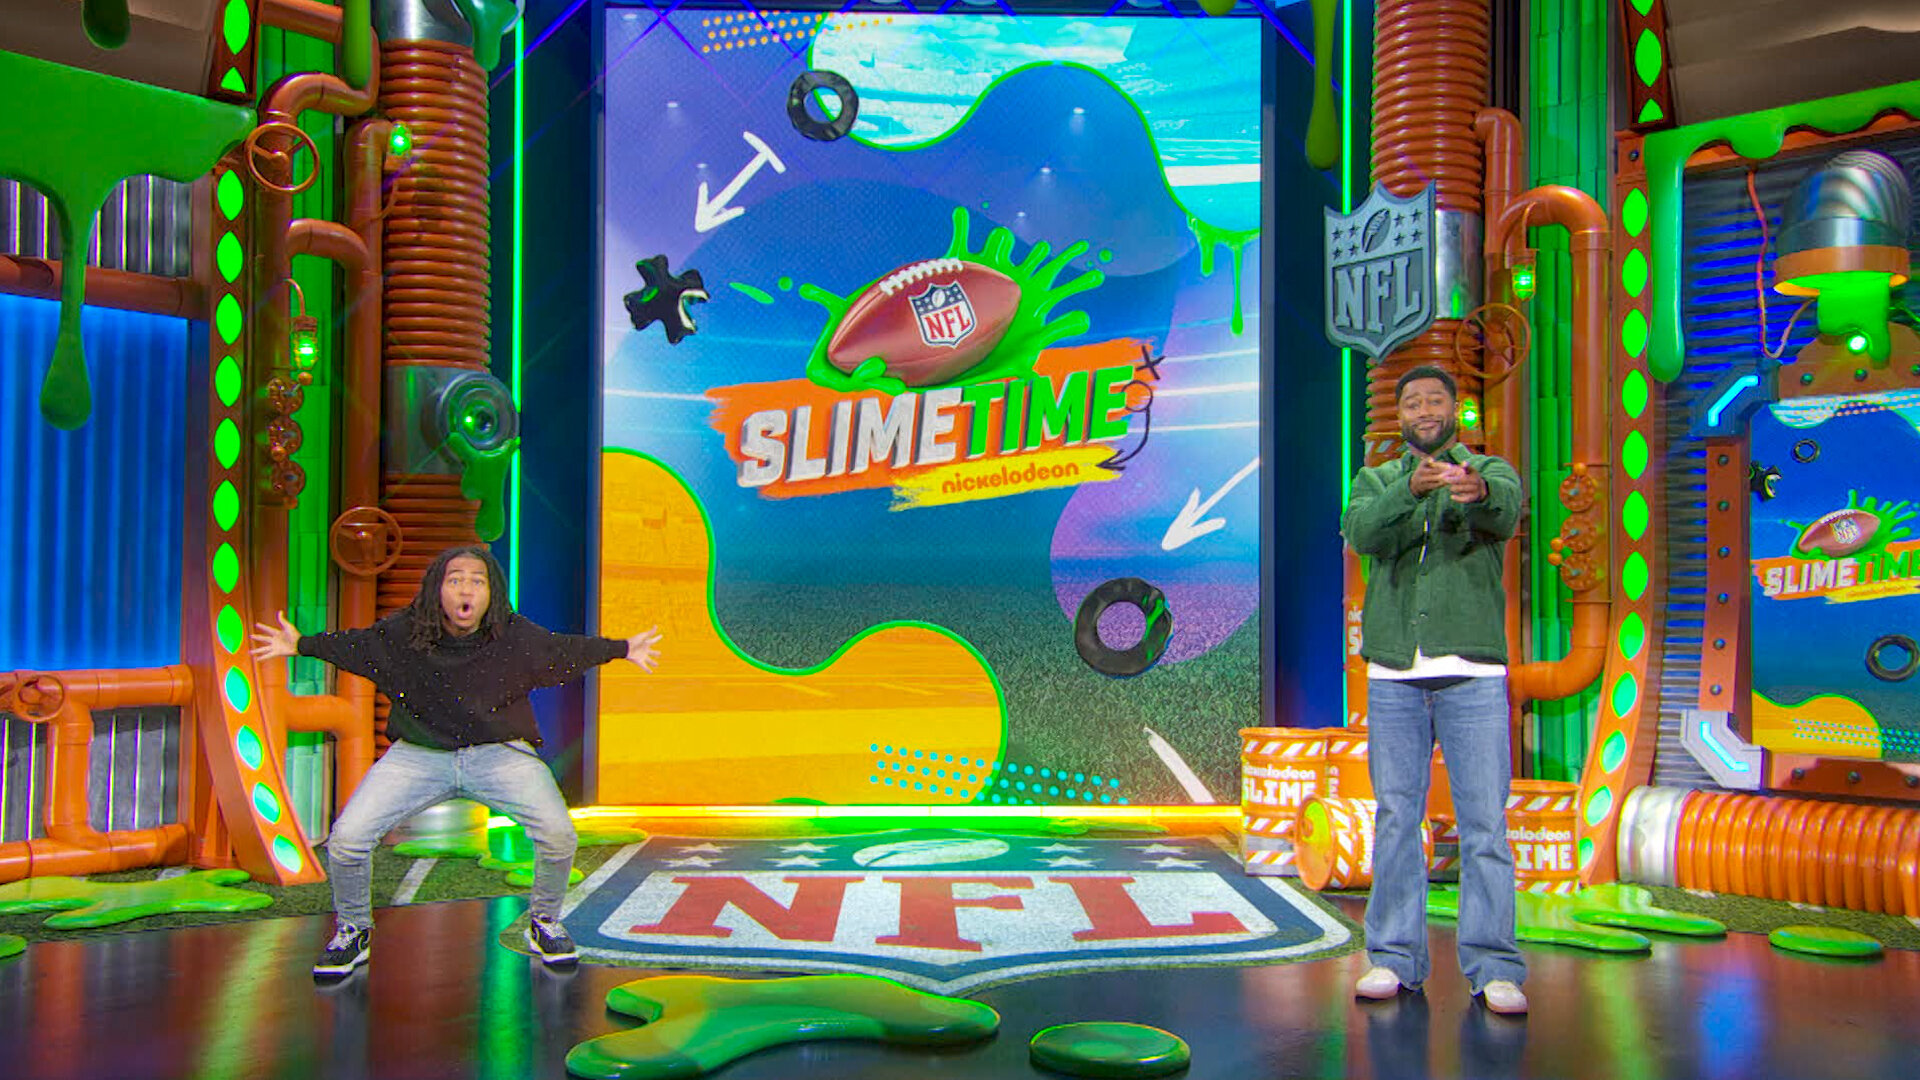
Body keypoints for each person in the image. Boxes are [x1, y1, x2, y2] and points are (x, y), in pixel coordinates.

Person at [251, 545, 661, 978]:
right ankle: (353, 930)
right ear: (438, 590)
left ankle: (544, 922)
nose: (466, 590)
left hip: (499, 754)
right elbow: (357, 646)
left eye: (477, 581)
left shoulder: (513, 635)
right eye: (456, 580)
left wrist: (621, 648)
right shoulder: (404, 633)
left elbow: (561, 649)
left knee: (559, 834)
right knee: (347, 840)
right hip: (419, 756)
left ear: (491, 592)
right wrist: (300, 644)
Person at [1340, 364, 1528, 1016]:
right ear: (1401, 418)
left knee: (1484, 824)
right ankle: (1393, 958)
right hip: (1395, 677)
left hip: (1472, 674)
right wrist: (1409, 492)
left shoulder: (1490, 471)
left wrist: (1476, 491)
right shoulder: (1375, 480)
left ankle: (1494, 967)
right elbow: (1363, 533)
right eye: (1413, 402)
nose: (1424, 410)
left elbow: (1506, 512)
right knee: (1397, 819)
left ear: (1455, 410)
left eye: (1435, 400)